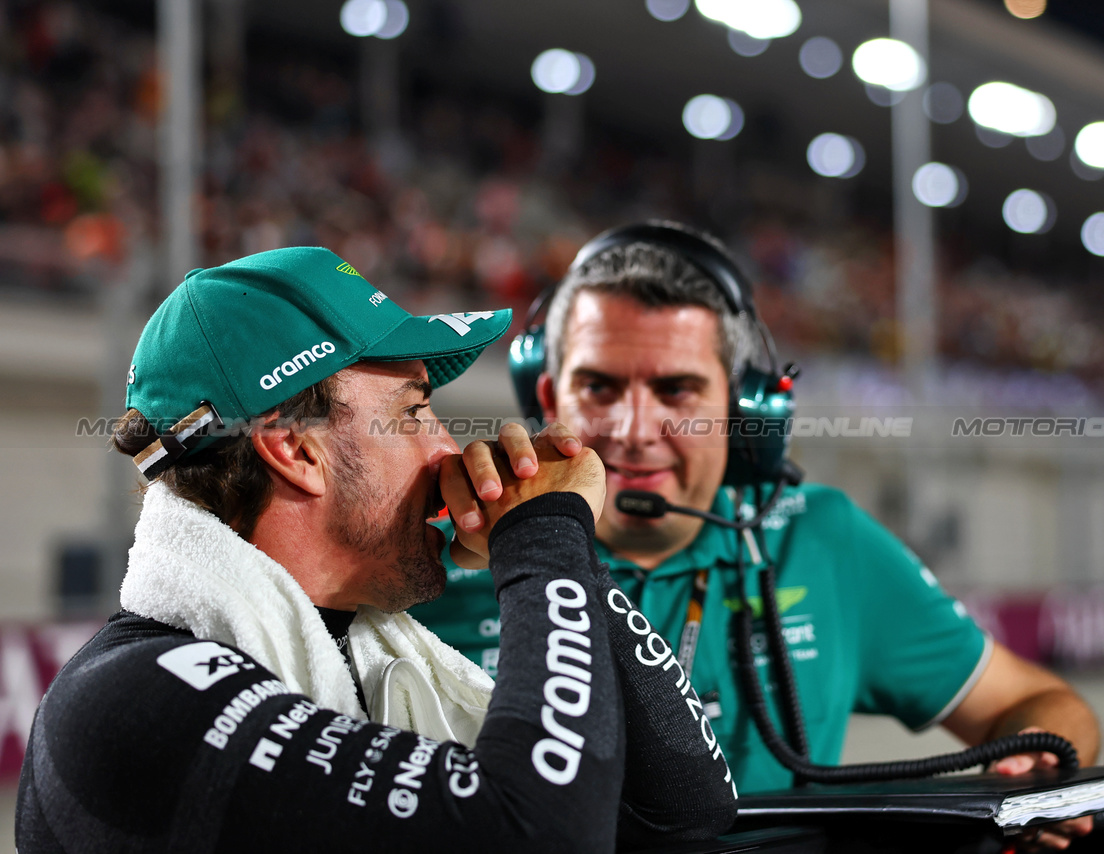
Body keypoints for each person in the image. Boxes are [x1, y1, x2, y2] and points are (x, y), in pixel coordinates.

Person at [16, 246, 737, 853]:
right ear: (294, 447)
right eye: (414, 412)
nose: (448, 448)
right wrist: (544, 539)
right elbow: (541, 836)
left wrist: (564, 554)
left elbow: (686, 810)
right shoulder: (129, 702)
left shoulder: (358, 650)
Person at [411, 222, 1101, 850]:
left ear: (743, 413)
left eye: (677, 391)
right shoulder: (446, 547)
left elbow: (1038, 704)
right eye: (599, 388)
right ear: (549, 397)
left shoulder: (822, 540)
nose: (633, 430)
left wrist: (1041, 766)